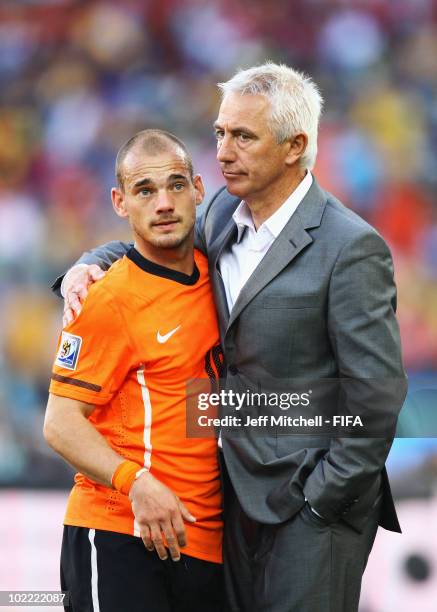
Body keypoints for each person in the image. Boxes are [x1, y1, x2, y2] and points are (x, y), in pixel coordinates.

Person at [56, 63, 407, 612]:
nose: (222, 152)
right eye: (220, 133)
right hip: (227, 502)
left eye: (243, 136)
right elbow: (153, 238)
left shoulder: (350, 247)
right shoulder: (220, 212)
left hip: (310, 505)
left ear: (295, 146)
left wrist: (322, 499)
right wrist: (87, 263)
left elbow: (377, 395)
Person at [45, 129, 224, 612]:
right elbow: (60, 423)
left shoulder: (220, 277)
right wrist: (137, 483)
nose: (163, 203)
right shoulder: (105, 298)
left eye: (175, 185)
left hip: (204, 544)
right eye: (145, 191)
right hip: (121, 532)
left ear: (199, 189)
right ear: (121, 202)